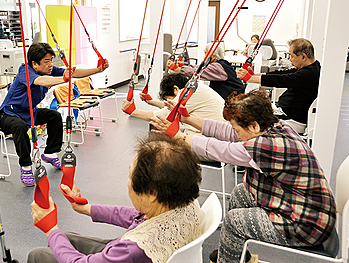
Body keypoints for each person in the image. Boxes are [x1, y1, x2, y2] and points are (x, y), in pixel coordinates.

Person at [150, 89, 336, 263]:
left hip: (307, 224)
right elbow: (227, 132)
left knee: (234, 222)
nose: (236, 134)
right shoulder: (274, 126)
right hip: (300, 205)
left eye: (239, 130)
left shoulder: (266, 146)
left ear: (253, 125)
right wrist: (188, 119)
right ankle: (237, 253)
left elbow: (221, 150)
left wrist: (180, 136)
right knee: (241, 192)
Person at [28, 133, 204, 263]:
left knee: (37, 255)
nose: (127, 183)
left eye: (130, 176)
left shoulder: (131, 249)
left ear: (151, 193)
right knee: (65, 237)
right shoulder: (184, 200)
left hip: (127, 256)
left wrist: (50, 228)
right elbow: (134, 215)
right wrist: (85, 208)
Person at [0, 42, 109, 186]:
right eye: (46, 61)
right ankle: (25, 166)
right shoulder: (25, 71)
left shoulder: (47, 70)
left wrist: (98, 69)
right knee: (20, 127)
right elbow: (40, 81)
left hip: (29, 113)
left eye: (51, 60)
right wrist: (64, 79)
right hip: (8, 114)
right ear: (35, 64)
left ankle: (49, 153)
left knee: (54, 116)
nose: (50, 64)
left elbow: (73, 73)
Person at [237, 38, 319, 134]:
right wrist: (253, 76)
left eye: (292, 56)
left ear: (303, 57)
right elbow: (280, 74)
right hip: (285, 113)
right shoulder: (308, 68)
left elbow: (281, 80)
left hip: (291, 120)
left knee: (249, 122)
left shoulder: (309, 74)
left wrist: (249, 78)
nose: (290, 59)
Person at [121, 72, 225, 137]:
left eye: (169, 99)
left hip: (211, 140)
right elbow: (173, 107)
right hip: (218, 136)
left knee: (160, 134)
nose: (167, 102)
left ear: (176, 89)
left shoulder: (187, 94)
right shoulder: (196, 88)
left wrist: (133, 111)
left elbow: (162, 115)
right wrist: (152, 102)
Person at [167, 42, 245, 99]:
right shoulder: (219, 64)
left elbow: (200, 72)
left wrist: (180, 69)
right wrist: (183, 66)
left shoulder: (218, 67)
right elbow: (199, 67)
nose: (204, 56)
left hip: (233, 98)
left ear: (213, 57)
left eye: (206, 54)